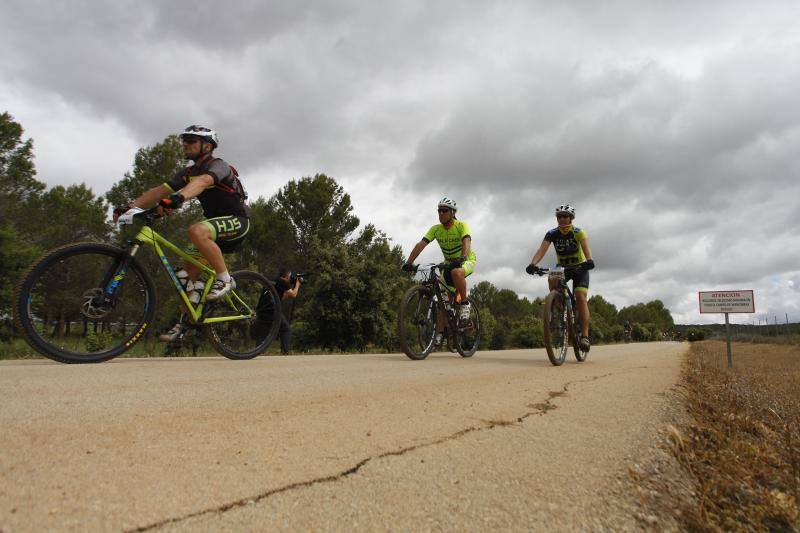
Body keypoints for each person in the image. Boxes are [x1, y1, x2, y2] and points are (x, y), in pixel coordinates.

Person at [114, 125, 251, 341]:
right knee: (186, 278)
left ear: (206, 146)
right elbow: (159, 191)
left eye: (190, 141)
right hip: (213, 228)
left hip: (237, 221)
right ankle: (184, 322)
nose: (185, 144)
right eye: (184, 140)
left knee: (196, 230)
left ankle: (226, 280)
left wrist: (178, 198)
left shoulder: (219, 165)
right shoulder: (187, 173)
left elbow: (204, 182)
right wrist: (130, 207)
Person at [402, 197, 477, 342]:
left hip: (465, 260)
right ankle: (441, 333)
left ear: (453, 212)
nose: (441, 213)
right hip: (447, 263)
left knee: (456, 272)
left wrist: (463, 257)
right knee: (442, 301)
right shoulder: (436, 229)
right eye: (439, 210)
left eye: (445, 210)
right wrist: (409, 262)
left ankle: (465, 304)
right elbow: (421, 245)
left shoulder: (461, 226)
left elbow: (466, 242)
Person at [526, 204, 594, 351]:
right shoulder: (552, 233)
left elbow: (586, 247)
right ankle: (559, 309)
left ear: (571, 218)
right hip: (562, 267)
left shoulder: (578, 232)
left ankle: (585, 336)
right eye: (559, 216)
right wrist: (533, 263)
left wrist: (589, 260)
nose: (562, 219)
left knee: (580, 297)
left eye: (565, 216)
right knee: (551, 277)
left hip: (579, 267)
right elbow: (541, 250)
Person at [274, 267, 301, 355]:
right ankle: (285, 351)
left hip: (267, 307)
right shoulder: (283, 282)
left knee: (280, 328)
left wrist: (290, 288)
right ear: (286, 276)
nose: (290, 278)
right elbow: (293, 295)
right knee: (286, 329)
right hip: (273, 309)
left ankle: (282, 350)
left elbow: (281, 298)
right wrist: (297, 284)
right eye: (290, 276)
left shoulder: (276, 281)